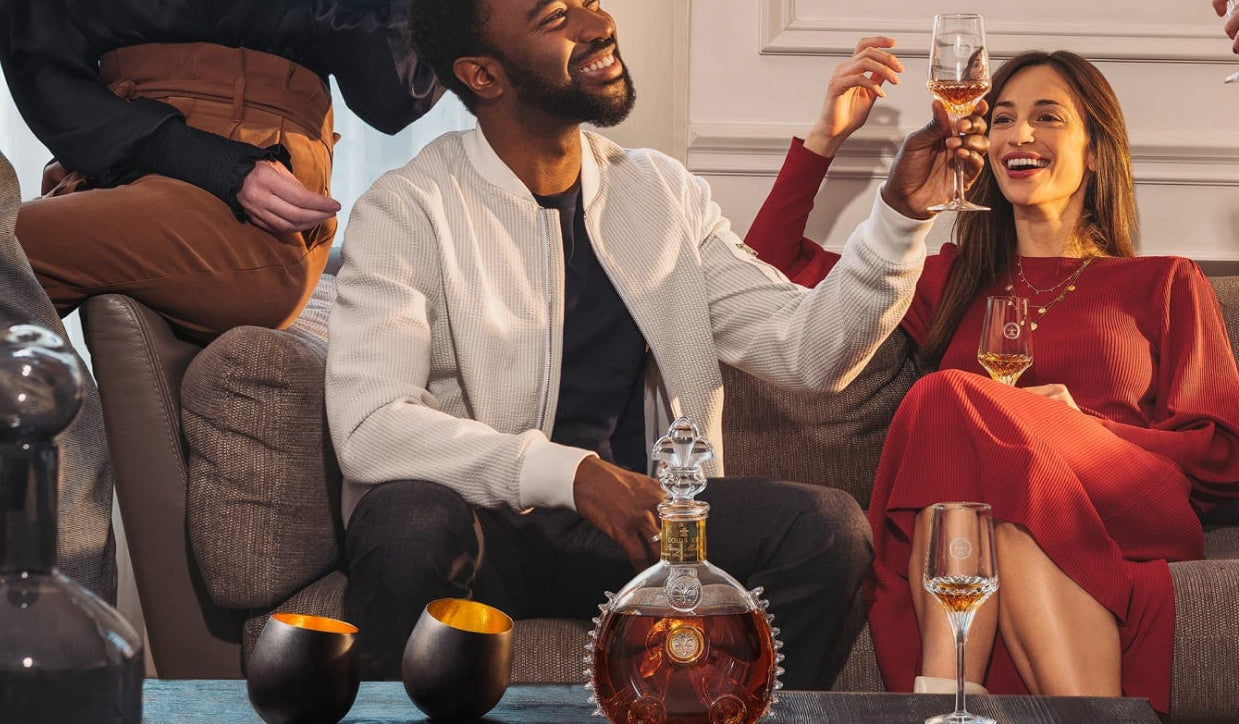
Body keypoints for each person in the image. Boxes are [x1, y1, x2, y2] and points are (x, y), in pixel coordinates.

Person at [325, 0, 989, 684]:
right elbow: (371, 427)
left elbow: (809, 351)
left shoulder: (660, 192)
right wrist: (572, 474)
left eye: (588, 1)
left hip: (645, 533)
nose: (596, 23)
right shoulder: (407, 209)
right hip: (488, 532)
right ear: (483, 75)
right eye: (555, 18)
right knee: (406, 519)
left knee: (822, 528)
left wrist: (901, 218)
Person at [744, 49, 1239, 714]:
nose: (1018, 135)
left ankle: (938, 698)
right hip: (999, 520)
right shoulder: (948, 281)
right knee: (1001, 527)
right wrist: (824, 141)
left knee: (945, 394)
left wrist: (1077, 428)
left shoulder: (1162, 281)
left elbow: (1221, 455)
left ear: (1094, 152)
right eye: (1001, 118)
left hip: (1124, 499)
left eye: (1046, 117)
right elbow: (763, 278)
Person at [0, 0, 440, 601]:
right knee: (26, 372)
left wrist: (225, 167)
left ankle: (59, 648)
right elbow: (42, 69)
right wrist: (199, 158)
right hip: (105, 168)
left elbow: (395, 94)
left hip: (257, 197)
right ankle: (58, 645)